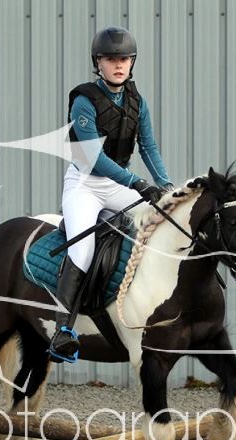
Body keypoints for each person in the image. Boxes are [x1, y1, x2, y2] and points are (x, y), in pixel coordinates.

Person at [48, 26, 174, 363]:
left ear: (132, 62)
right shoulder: (84, 101)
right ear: (98, 63)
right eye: (110, 59)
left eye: (124, 59)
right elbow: (93, 158)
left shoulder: (137, 101)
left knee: (164, 223)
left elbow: (148, 146)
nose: (118, 65)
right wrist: (137, 182)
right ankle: (63, 330)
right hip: (85, 184)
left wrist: (165, 185)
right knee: (83, 248)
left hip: (118, 185)